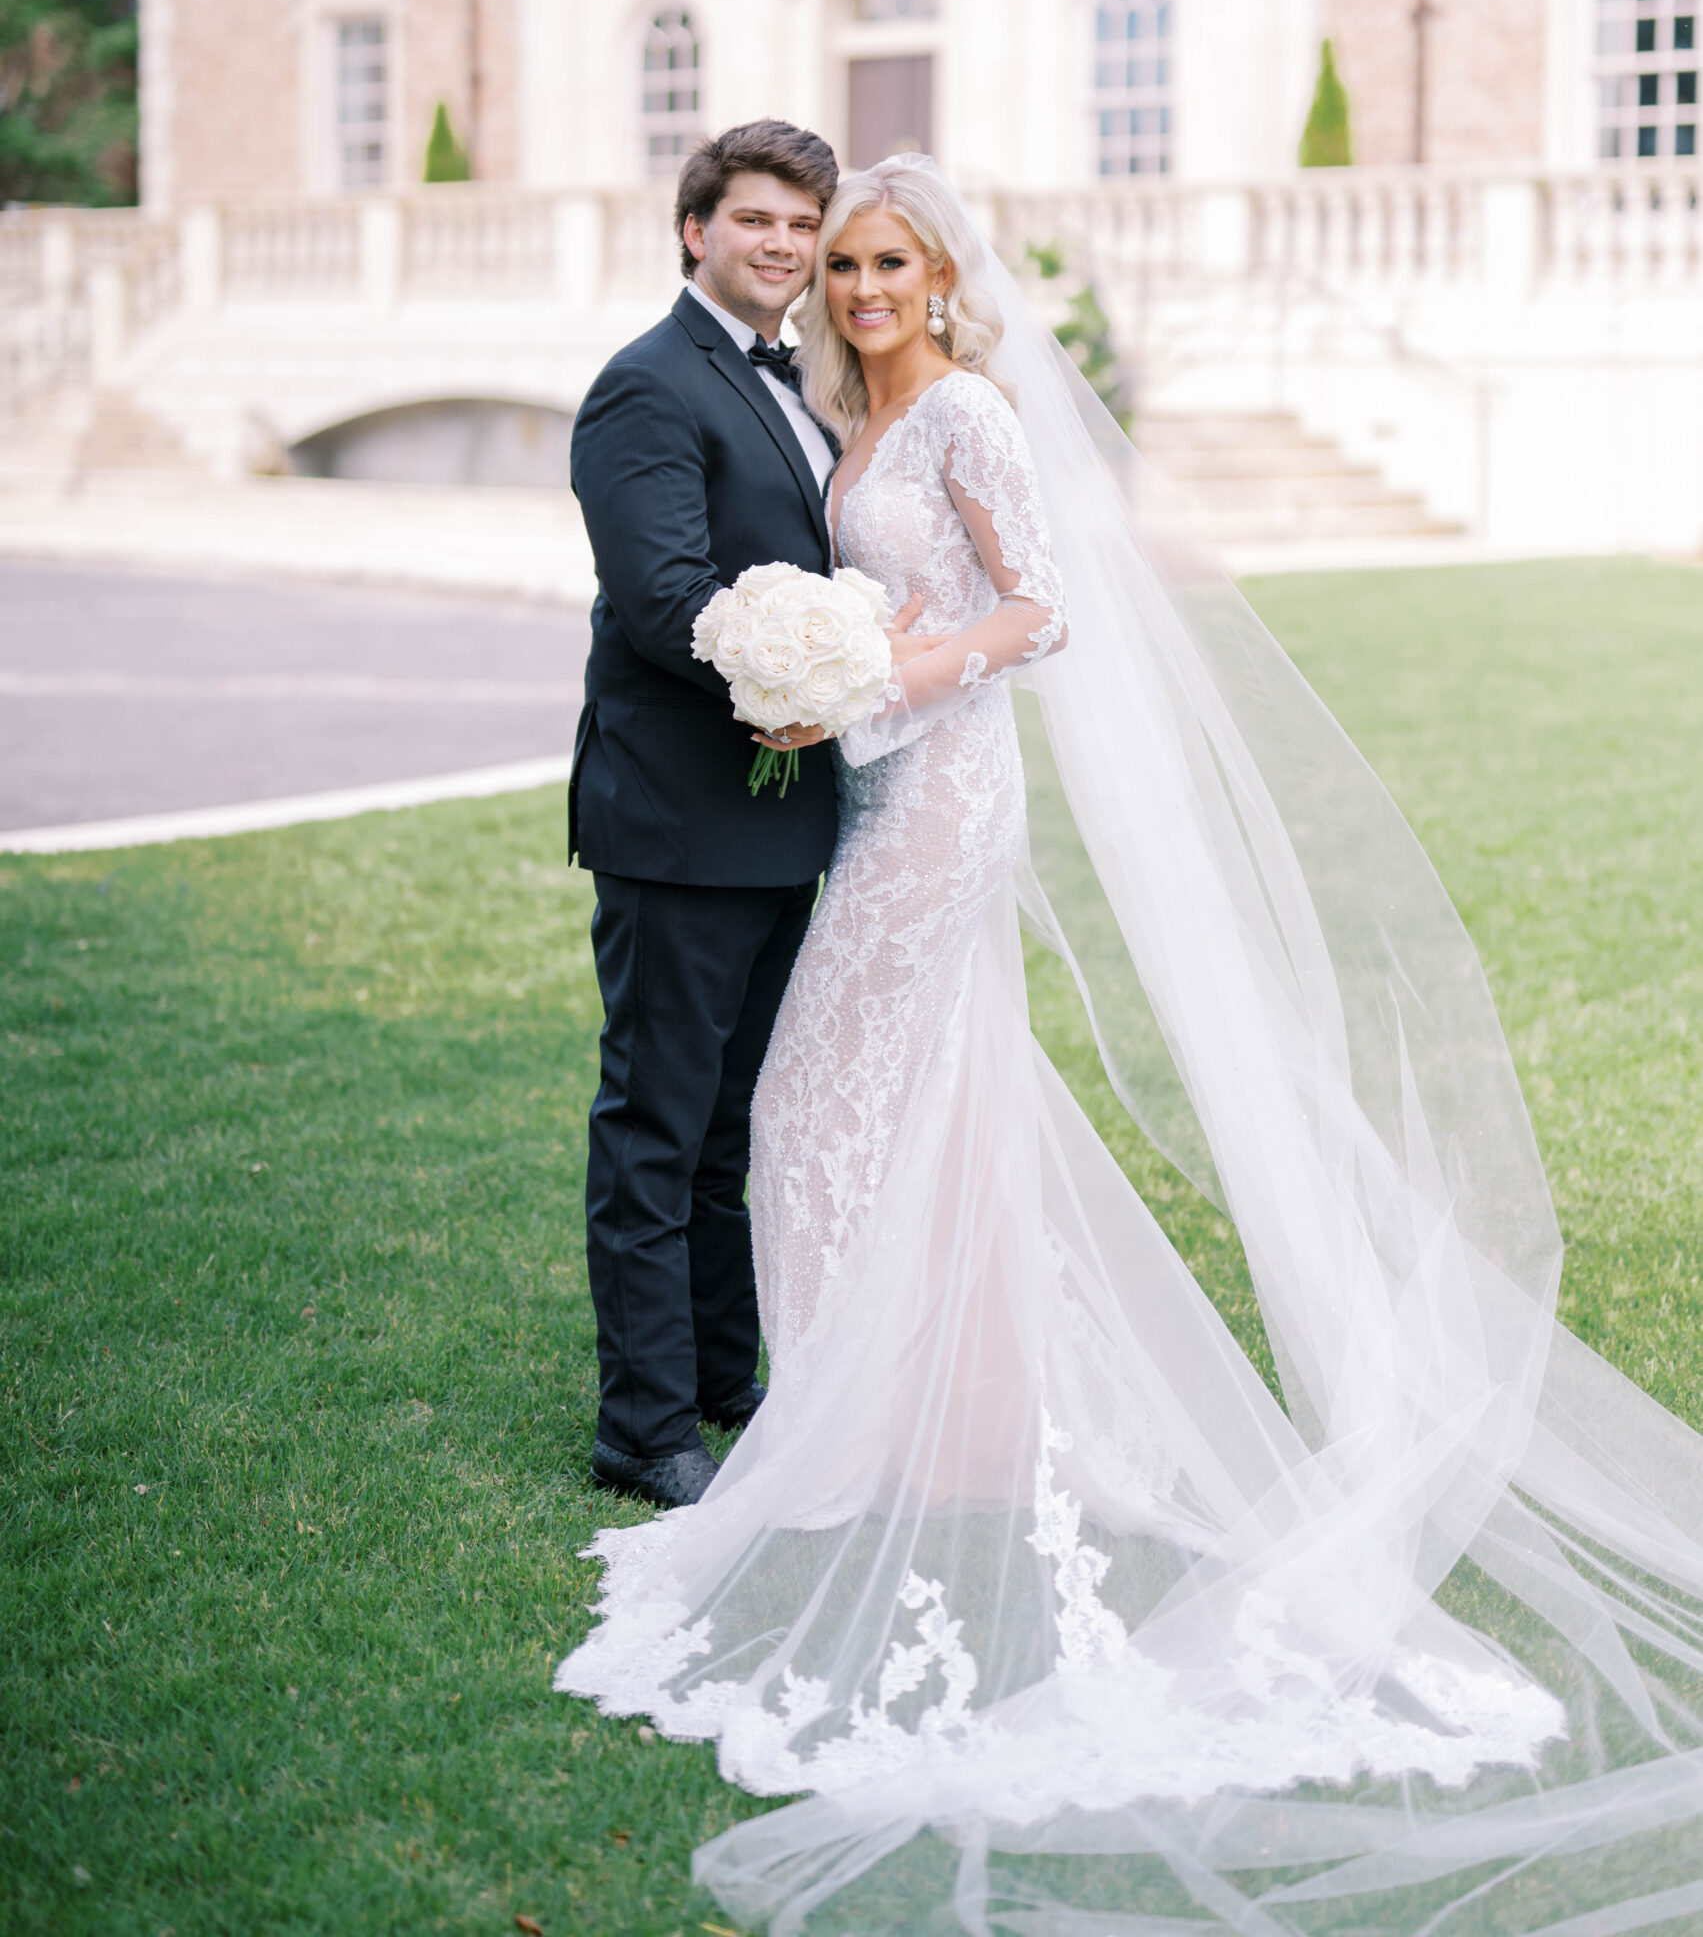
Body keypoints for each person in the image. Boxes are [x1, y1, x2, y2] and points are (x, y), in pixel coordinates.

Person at [559, 156, 1703, 1937]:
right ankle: (904, 1411)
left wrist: (881, 678)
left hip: (932, 795)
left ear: (941, 275)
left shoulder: (971, 420)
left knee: (819, 1107)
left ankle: (865, 1422)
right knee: (893, 1108)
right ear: (746, 246)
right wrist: (840, 670)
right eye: (834, 254)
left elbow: (1047, 611)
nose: (851, 280)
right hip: (863, 804)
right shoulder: (836, 410)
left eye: (882, 257)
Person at [569, 119, 935, 1513]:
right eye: (757, 223)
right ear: (695, 232)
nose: (783, 246)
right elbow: (666, 599)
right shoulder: (645, 390)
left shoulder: (799, 381)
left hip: (785, 815)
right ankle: (645, 1426)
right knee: (657, 1128)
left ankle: (729, 1383)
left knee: (738, 1127)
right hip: (677, 816)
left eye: (802, 224)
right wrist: (819, 673)